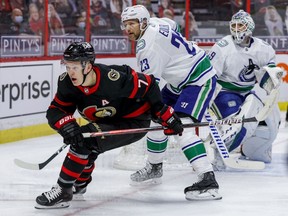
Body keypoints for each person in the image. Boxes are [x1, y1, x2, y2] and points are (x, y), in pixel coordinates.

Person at [35, 41, 183, 209]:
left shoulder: (112, 79)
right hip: (106, 122)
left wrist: (161, 112)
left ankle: (64, 190)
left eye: (75, 67)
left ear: (88, 66)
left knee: (85, 139)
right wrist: (65, 124)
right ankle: (79, 185)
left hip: (133, 122)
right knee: (83, 142)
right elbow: (55, 110)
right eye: (68, 67)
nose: (70, 72)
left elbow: (149, 84)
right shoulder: (67, 83)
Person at [121, 5, 222, 201]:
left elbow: (150, 88)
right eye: (125, 24)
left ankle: (208, 180)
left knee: (182, 127)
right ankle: (155, 167)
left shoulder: (146, 48)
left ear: (143, 22)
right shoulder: (157, 22)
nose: (128, 29)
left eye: (132, 24)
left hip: (199, 80)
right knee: (156, 120)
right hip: (180, 81)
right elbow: (173, 26)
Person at [207, 10, 283, 167]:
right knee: (238, 127)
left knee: (272, 121)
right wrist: (205, 100)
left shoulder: (264, 48)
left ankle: (253, 151)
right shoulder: (222, 47)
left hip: (249, 91)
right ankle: (219, 154)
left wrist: (272, 75)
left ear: (249, 27)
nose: (236, 29)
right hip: (225, 92)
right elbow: (209, 77)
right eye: (233, 25)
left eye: (240, 25)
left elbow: (266, 78)